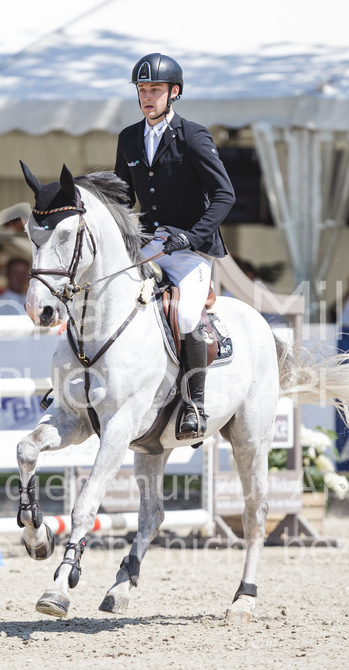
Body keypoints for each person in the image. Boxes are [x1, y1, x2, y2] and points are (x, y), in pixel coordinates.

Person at [114, 52, 235, 438]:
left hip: (189, 248)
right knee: (106, 294)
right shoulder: (129, 138)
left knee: (184, 317)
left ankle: (194, 405)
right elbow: (121, 198)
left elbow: (224, 195)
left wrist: (192, 234)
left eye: (155, 90)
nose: (147, 97)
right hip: (149, 245)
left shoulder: (193, 135)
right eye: (142, 90)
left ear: (174, 92)